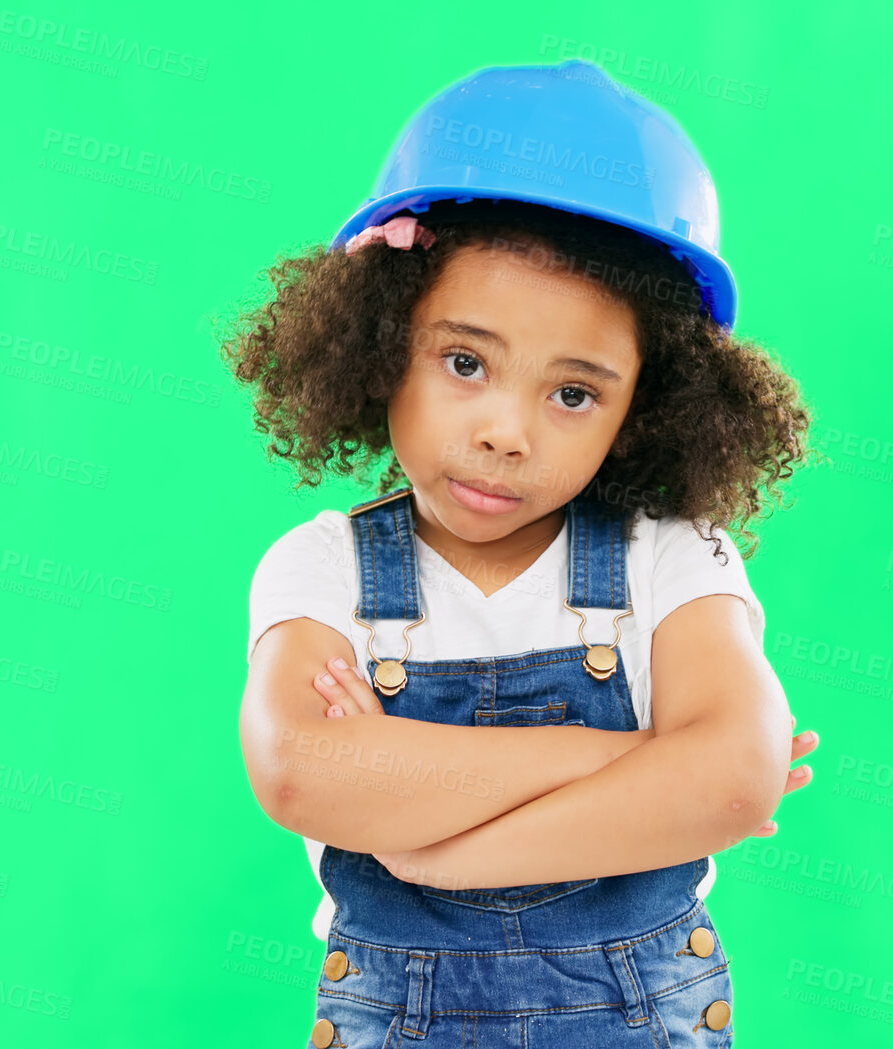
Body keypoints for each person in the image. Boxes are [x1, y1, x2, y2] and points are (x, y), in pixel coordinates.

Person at [227, 58, 817, 1048]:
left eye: (573, 392)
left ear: (645, 411)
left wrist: (428, 849)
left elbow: (732, 777)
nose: (508, 431)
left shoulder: (672, 559)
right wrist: (635, 760)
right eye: (466, 363)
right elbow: (299, 770)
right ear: (381, 344)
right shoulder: (321, 567)